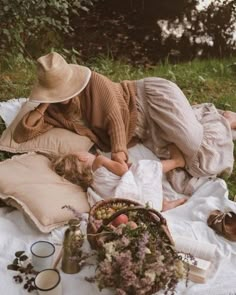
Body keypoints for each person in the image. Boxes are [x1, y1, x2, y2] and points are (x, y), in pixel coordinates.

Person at [13, 52, 235, 181]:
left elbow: (115, 117)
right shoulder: (53, 109)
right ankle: (192, 116)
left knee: (193, 142)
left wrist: (119, 151)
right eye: (56, 90)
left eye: (64, 88)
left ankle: (220, 118)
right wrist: (44, 103)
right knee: (198, 167)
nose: (63, 95)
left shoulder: (93, 82)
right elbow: (22, 135)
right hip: (141, 130)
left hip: (147, 99)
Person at [49, 144, 187, 212]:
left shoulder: (91, 184)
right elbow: (122, 171)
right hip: (140, 196)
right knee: (144, 168)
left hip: (144, 206)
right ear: (82, 157)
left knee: (138, 173)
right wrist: (118, 159)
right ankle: (177, 161)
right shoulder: (100, 161)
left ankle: (164, 205)